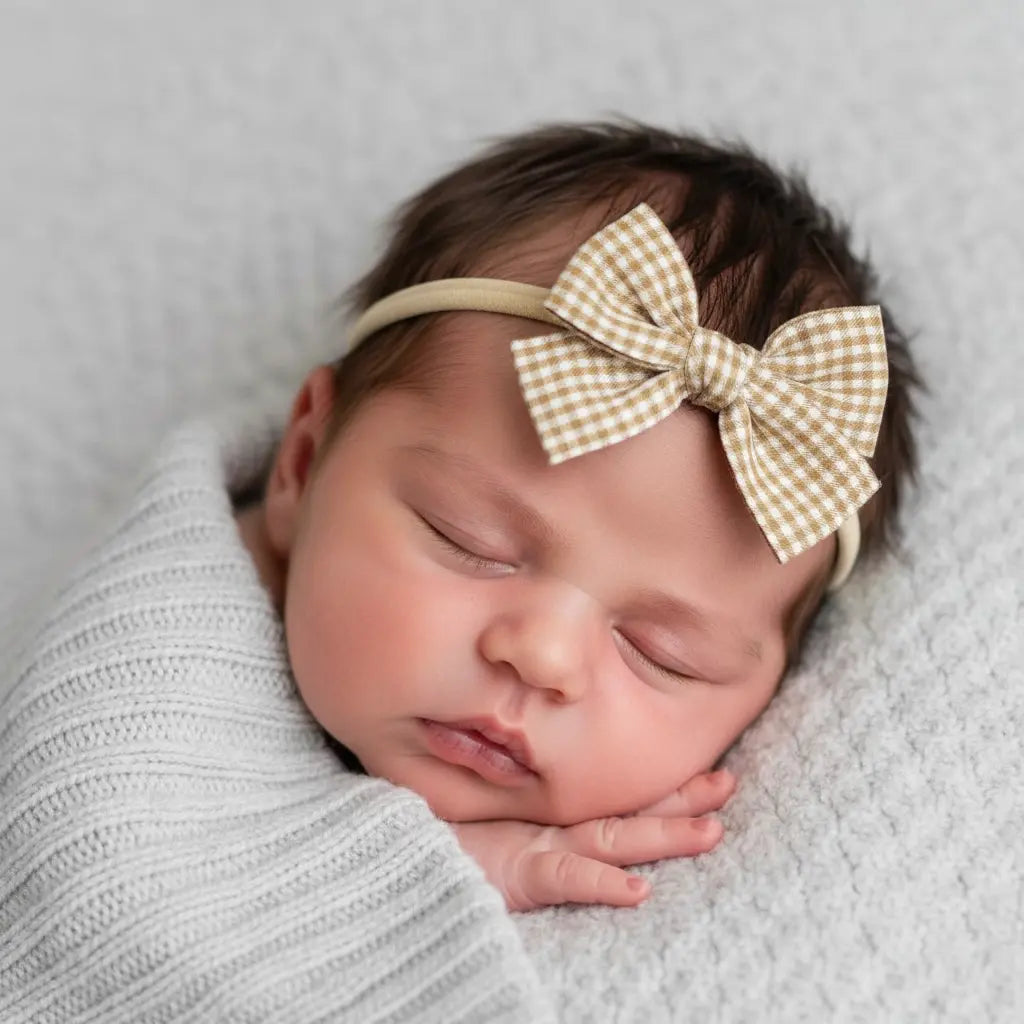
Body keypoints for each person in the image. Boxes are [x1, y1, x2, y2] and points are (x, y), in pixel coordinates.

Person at [232, 118, 921, 910]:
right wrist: (410, 874)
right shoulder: (170, 632)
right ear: (302, 464)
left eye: (663, 655)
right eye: (468, 541)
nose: (544, 657)